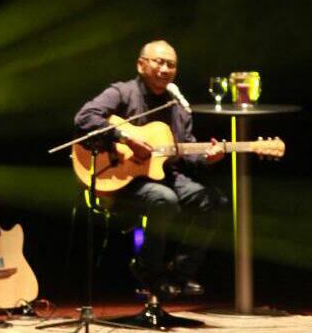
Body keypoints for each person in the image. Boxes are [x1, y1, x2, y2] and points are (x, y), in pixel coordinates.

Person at [73, 40, 227, 299]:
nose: (165, 69)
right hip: (119, 178)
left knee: (213, 200)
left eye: (171, 65)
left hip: (163, 175)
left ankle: (179, 273)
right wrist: (125, 138)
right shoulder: (122, 92)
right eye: (159, 62)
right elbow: (85, 117)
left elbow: (185, 152)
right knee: (164, 198)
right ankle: (149, 270)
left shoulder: (178, 106)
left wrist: (207, 158)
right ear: (141, 65)